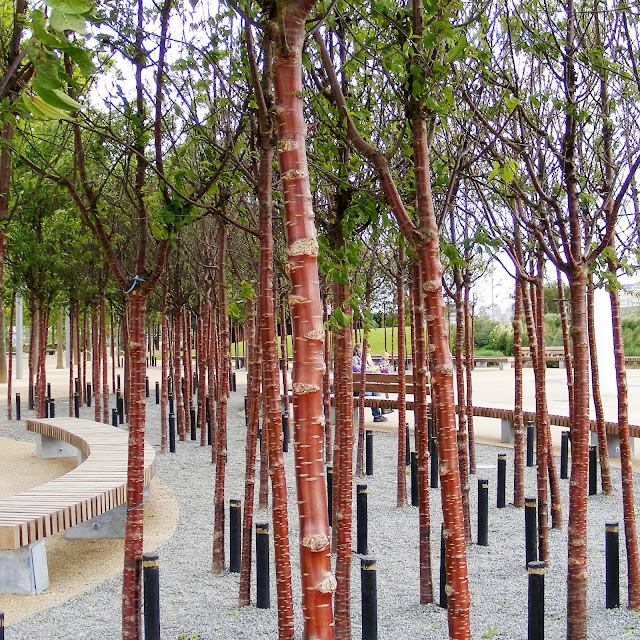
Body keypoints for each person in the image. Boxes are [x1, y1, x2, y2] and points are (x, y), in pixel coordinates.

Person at [352, 343, 386, 422]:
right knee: (371, 391)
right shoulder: (355, 359)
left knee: (374, 390)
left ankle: (380, 412)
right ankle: (379, 413)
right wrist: (371, 370)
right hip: (357, 387)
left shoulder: (360, 358)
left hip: (361, 385)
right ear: (358, 349)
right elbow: (359, 370)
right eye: (362, 348)